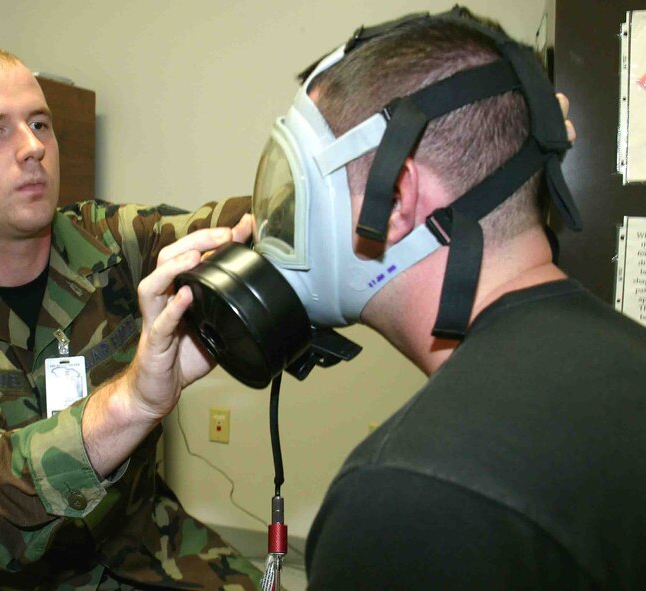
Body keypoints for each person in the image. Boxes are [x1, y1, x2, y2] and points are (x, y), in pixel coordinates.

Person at [239, 8, 646, 590]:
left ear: (397, 196)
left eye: (300, 192)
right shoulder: (628, 354)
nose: (280, 224)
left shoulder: (409, 495)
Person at [0, 46, 261, 590]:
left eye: (39, 123)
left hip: (139, 546)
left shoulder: (111, 241)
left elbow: (248, 226)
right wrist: (133, 401)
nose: (33, 148)